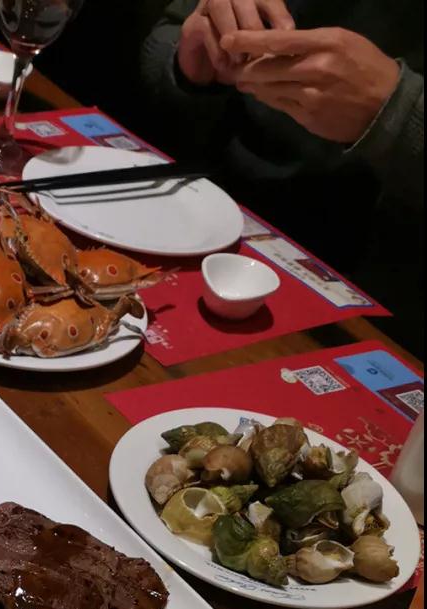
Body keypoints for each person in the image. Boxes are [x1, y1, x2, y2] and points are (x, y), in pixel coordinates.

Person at [141, 1, 423, 354]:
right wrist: (190, 62)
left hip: (383, 297)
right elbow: (166, 37)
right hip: (210, 218)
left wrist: (401, 112)